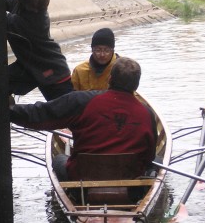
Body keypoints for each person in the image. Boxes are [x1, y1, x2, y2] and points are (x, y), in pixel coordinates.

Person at [10, 57, 157, 181]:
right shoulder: (147, 114)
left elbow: (39, 115)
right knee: (156, 162)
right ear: (136, 85)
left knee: (59, 160)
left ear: (110, 79)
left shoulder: (81, 101)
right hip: (129, 181)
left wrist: (9, 112)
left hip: (83, 179)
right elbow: (149, 156)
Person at [6, 0, 73, 101]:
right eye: (32, 7)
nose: (35, 10)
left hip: (55, 73)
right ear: (23, 1)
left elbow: (1, 18)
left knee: (65, 113)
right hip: (28, 66)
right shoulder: (19, 2)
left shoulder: (36, 21)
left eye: (39, 7)